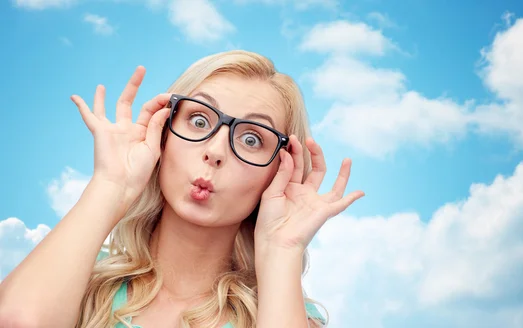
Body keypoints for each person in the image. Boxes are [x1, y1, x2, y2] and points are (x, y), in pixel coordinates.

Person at [0, 50, 364, 328]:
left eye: (252, 139)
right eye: (200, 119)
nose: (216, 151)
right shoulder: (78, 274)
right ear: (162, 133)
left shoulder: (282, 311)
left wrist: (282, 247)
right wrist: (110, 184)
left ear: (279, 172)